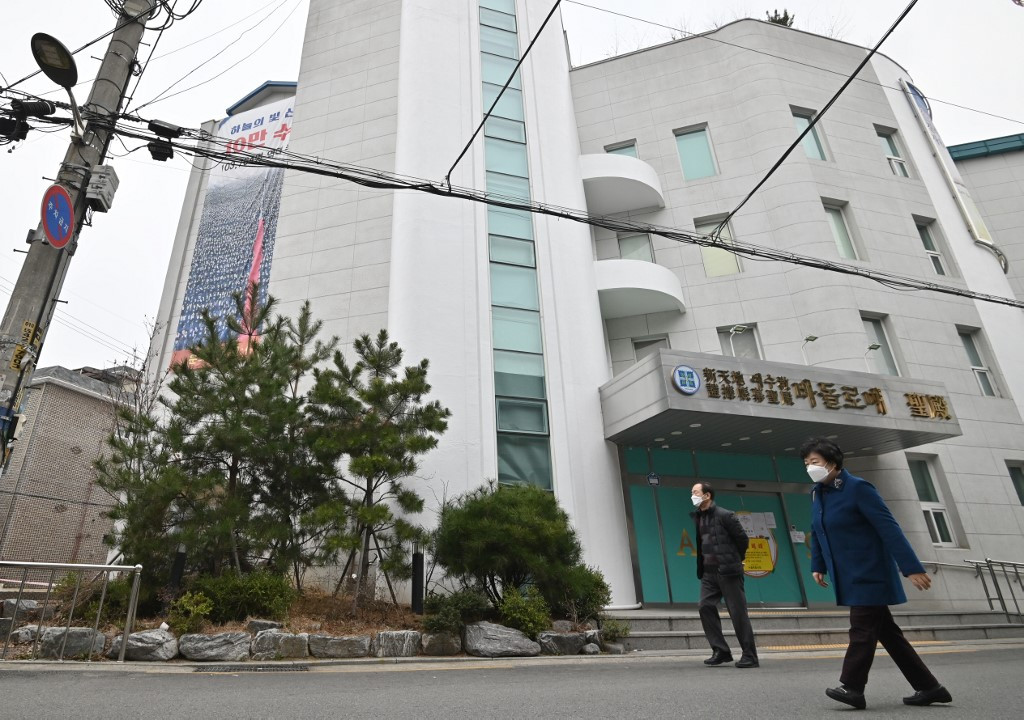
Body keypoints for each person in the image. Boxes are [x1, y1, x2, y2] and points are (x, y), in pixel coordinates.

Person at [801, 437, 953, 710]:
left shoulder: (859, 488)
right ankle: (930, 687)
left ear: (832, 463)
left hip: (870, 572)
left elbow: (889, 528)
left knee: (861, 630)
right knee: (889, 635)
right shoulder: (818, 493)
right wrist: (818, 565)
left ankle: (852, 687)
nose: (810, 467)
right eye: (807, 463)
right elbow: (819, 530)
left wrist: (911, 567)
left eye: (815, 462)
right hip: (848, 574)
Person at [690, 481, 759, 668]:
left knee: (737, 613)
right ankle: (721, 650)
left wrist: (734, 560)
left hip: (728, 571)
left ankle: (750, 655)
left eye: (695, 492)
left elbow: (742, 540)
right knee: (705, 606)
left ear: (707, 495)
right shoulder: (698, 517)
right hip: (708, 573)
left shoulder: (725, 515)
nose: (692, 495)